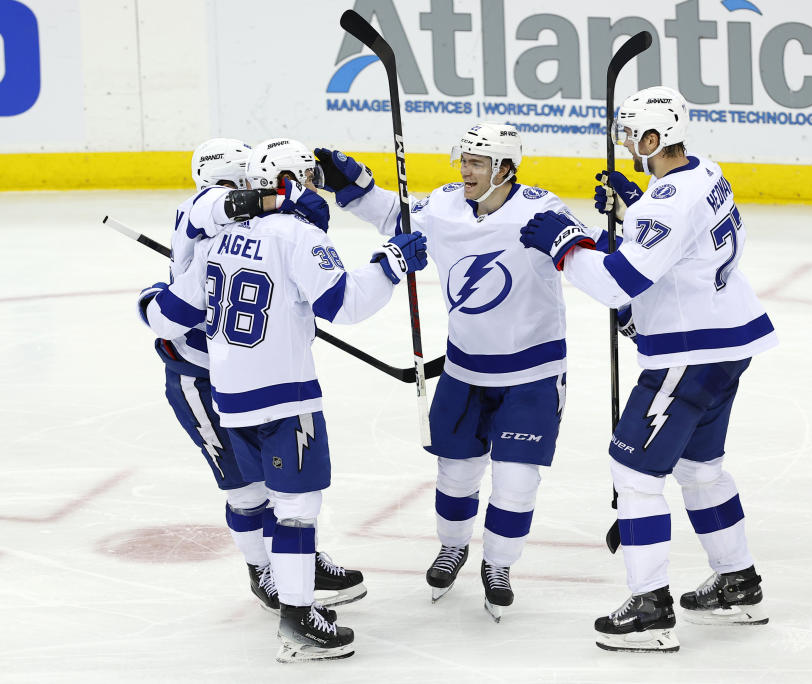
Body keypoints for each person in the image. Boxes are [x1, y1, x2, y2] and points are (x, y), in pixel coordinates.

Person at [137, 136, 429, 662]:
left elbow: (171, 313)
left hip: (230, 394)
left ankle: (293, 590)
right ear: (290, 182)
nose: (316, 187)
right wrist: (391, 262)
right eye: (310, 178)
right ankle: (297, 617)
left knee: (270, 498)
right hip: (283, 395)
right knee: (294, 508)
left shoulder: (218, 239)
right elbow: (345, 304)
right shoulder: (289, 232)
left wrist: (149, 304)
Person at [519, 86, 777, 651]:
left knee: (634, 472)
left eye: (633, 135)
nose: (627, 144)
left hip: (690, 353)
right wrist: (635, 207)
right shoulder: (705, 172)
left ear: (655, 138)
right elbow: (681, 243)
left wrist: (566, 246)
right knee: (699, 468)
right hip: (729, 341)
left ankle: (651, 608)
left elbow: (619, 282)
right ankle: (738, 581)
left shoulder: (666, 201)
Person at [317, 123, 603, 622]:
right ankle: (453, 548)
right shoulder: (445, 205)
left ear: (505, 169)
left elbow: (594, 254)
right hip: (464, 367)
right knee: (455, 475)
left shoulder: (542, 208)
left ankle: (498, 565)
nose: (464, 171)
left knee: (516, 481)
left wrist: (619, 226)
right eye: (463, 161)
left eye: (476, 163)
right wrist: (351, 184)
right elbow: (393, 214)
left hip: (532, 370)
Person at [145, 138, 368, 614]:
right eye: (247, 176)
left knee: (282, 488)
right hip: (199, 373)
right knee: (246, 490)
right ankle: (261, 570)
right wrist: (289, 198)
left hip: (236, 364)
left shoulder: (241, 223)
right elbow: (232, 205)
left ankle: (292, 565)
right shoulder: (207, 204)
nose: (253, 184)